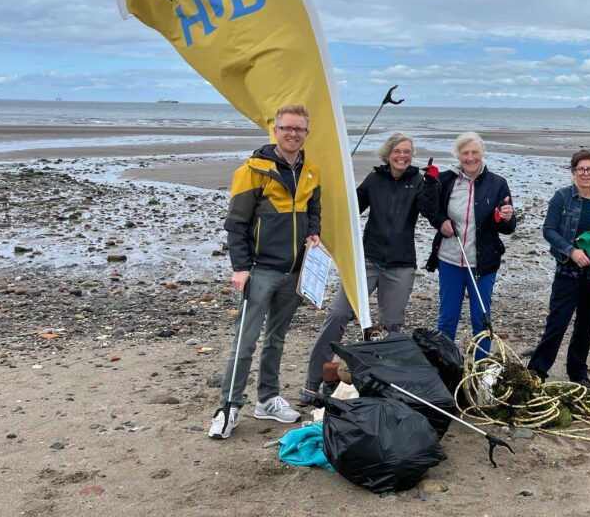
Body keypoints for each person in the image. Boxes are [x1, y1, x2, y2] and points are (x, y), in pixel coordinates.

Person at [298, 132, 439, 403]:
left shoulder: (419, 181)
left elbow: (430, 212)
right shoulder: (375, 179)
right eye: (397, 151)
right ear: (387, 154)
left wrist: (432, 183)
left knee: (392, 328)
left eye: (407, 151)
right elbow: (352, 208)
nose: (402, 156)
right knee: (338, 314)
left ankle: (386, 387)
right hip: (368, 261)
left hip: (400, 266)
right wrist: (329, 192)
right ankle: (312, 382)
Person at [208, 104, 320, 439]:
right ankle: (229, 407)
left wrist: (314, 232)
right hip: (260, 270)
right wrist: (240, 268)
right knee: (245, 341)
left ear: (306, 133)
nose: (292, 134)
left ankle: (268, 398)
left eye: (299, 129)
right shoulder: (253, 170)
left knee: (277, 338)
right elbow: (236, 224)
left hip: (295, 272)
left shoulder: (311, 170)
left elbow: (315, 209)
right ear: (275, 131)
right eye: (287, 128)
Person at [527, 149, 590, 391]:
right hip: (568, 274)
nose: (586, 173)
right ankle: (536, 372)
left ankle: (578, 373)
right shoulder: (562, 197)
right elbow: (549, 230)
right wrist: (571, 251)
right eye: (581, 169)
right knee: (557, 323)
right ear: (573, 172)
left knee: (586, 326)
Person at [426, 132, 515, 357]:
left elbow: (508, 227)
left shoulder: (497, 184)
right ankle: (445, 366)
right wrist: (440, 221)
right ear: (458, 156)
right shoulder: (446, 180)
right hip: (450, 260)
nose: (470, 157)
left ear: (482, 153)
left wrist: (506, 218)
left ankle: (481, 369)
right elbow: (430, 208)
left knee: (481, 320)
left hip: (482, 264)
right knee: (447, 318)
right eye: (465, 153)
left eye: (474, 152)